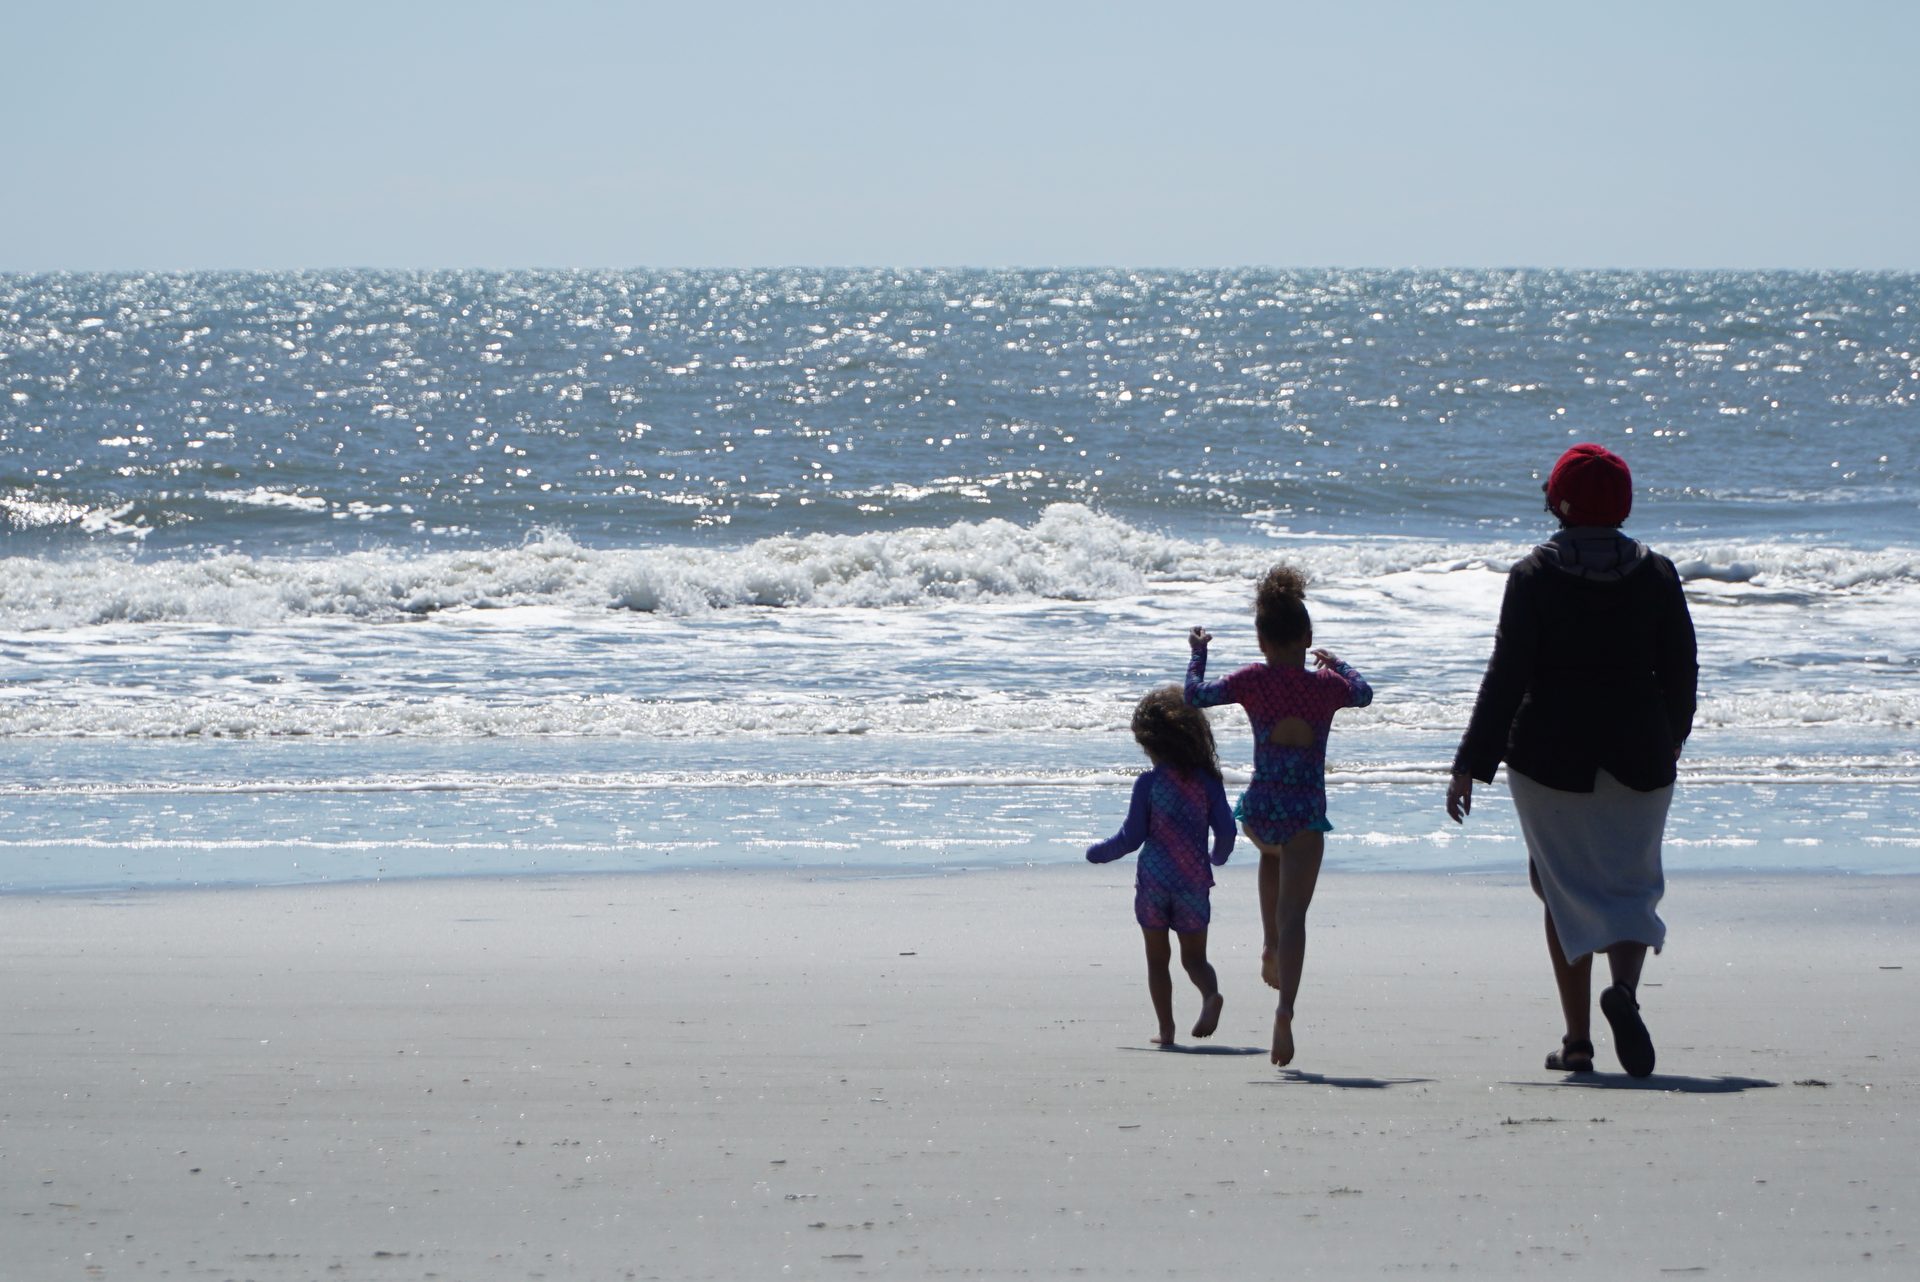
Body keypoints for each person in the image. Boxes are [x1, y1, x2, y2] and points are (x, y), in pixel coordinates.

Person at [1446, 443, 1697, 1078]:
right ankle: (1627, 994)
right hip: (1641, 748)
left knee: (1561, 887)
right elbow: (1681, 668)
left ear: (1558, 502)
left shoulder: (1533, 575)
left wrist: (1470, 763)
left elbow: (1508, 673)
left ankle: (1578, 1041)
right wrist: (1673, 735)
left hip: (1549, 754)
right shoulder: (1657, 573)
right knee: (1630, 883)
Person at [1184, 566, 1373, 1066]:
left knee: (1270, 857)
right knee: (1297, 916)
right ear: (1307, 637)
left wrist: (1199, 652)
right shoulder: (1327, 687)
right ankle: (1285, 1007)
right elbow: (1365, 692)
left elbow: (1195, 697)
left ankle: (1267, 945)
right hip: (1306, 814)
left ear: (1261, 639)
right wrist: (1338, 663)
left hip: (1261, 813)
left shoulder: (1252, 680)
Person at [1087, 686, 1237, 1048]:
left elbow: (1131, 836)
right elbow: (1227, 829)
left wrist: (1099, 853)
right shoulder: (1207, 783)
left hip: (1154, 882)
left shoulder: (1149, 783)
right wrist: (1216, 857)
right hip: (1194, 882)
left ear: (1152, 744)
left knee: (1157, 960)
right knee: (1194, 959)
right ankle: (1210, 996)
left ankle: (1166, 1031)